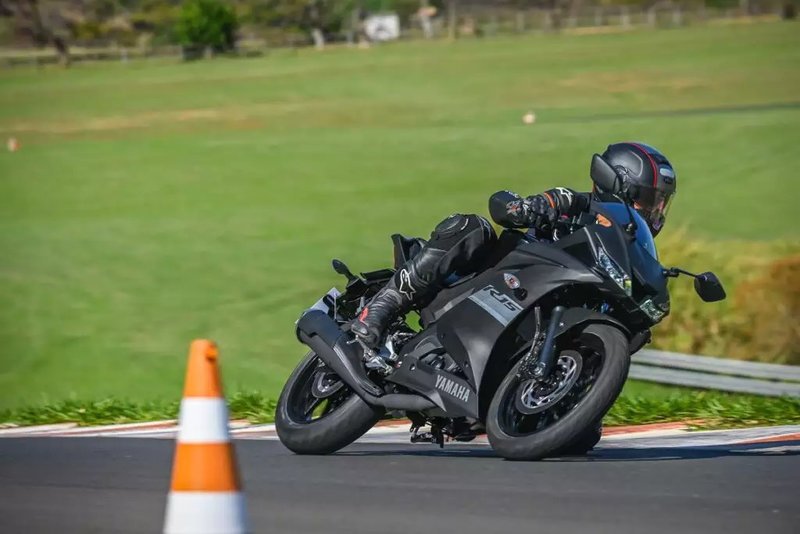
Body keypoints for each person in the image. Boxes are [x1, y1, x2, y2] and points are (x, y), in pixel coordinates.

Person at [351, 142, 677, 348]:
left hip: (529, 324)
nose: (655, 211)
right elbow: (503, 206)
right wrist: (524, 208)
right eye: (650, 200)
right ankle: (379, 309)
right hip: (488, 284)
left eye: (661, 204)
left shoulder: (628, 252)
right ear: (618, 185)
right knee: (472, 227)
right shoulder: (574, 204)